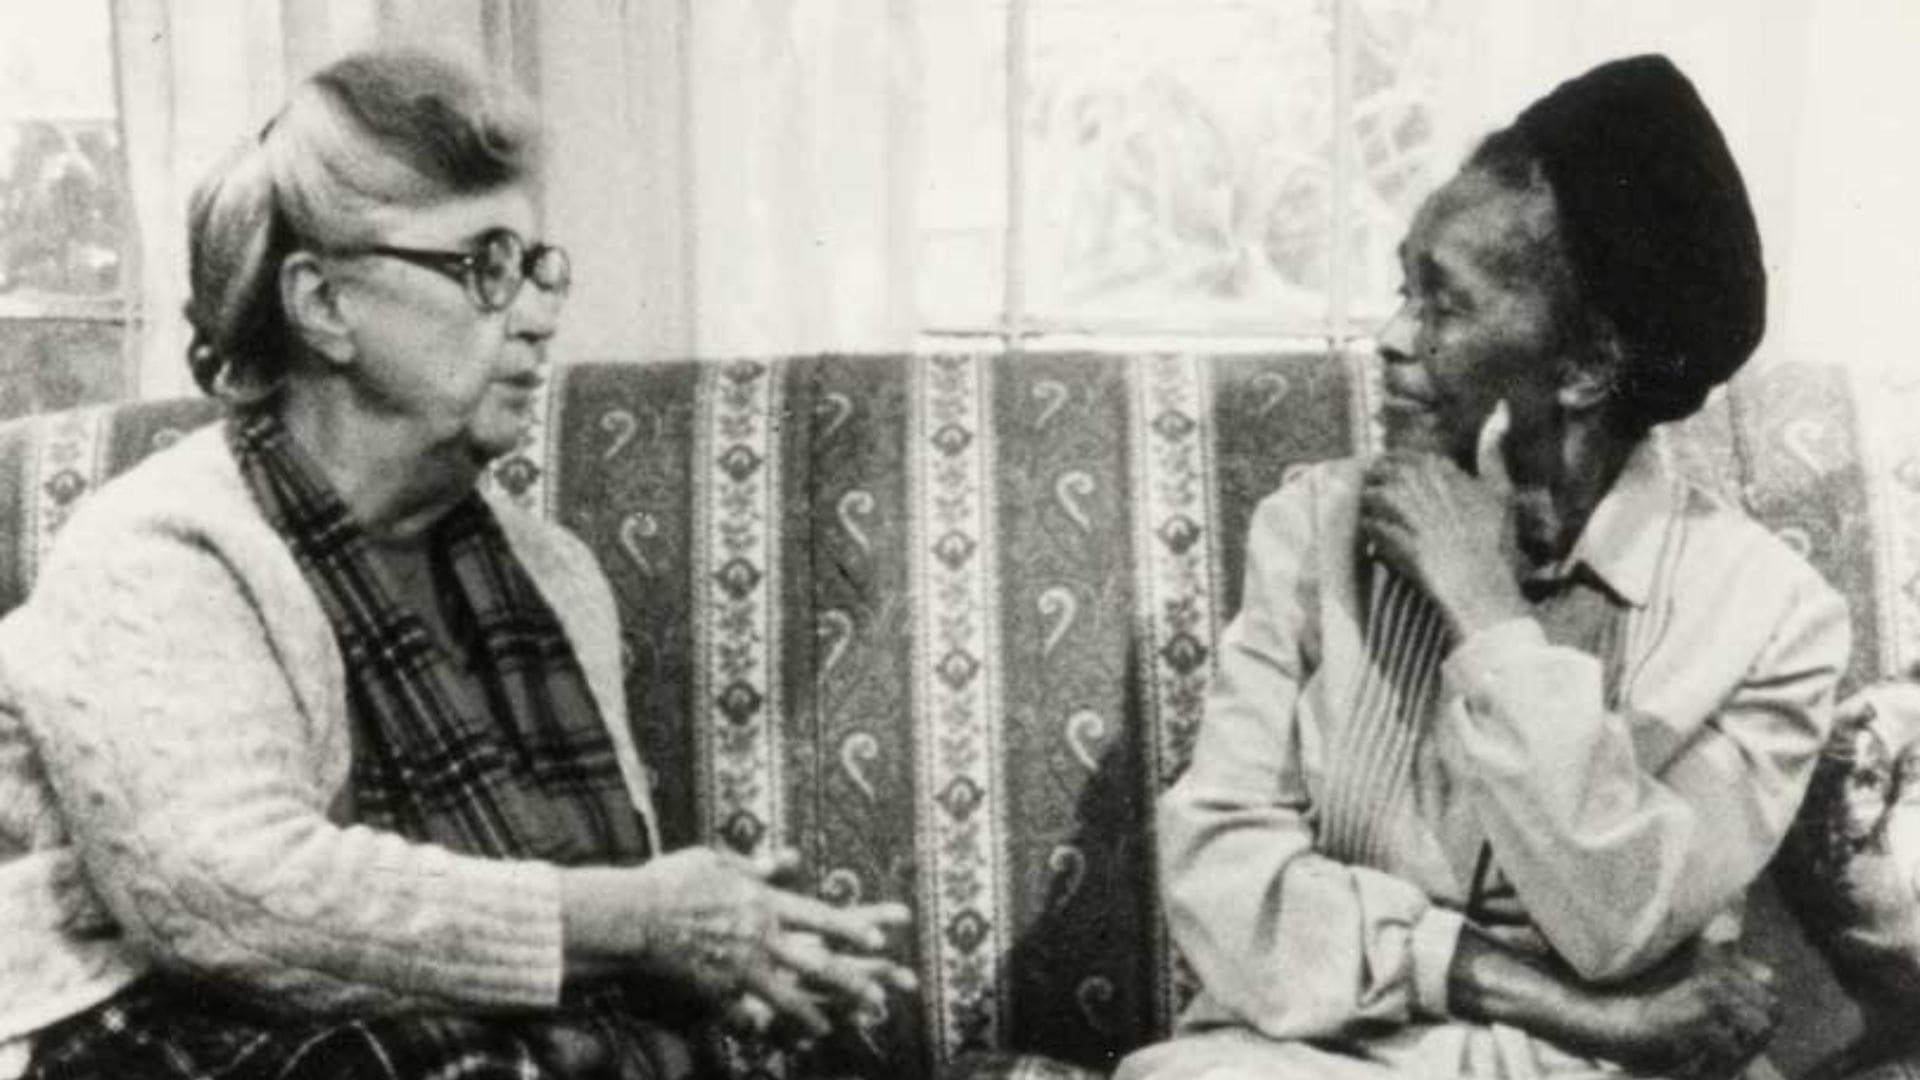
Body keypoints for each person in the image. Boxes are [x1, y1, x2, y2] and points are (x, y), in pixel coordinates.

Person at [0, 49, 912, 1080]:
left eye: (535, 265)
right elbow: (228, 903)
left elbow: (582, 923)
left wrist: (743, 954)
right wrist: (637, 920)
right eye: (482, 263)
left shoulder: (552, 573)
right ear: (323, 304)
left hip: (435, 1028)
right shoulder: (161, 548)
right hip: (150, 1028)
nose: (534, 311)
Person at [1118, 55, 1849, 1080]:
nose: (1390, 340)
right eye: (1401, 287)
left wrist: (1486, 613)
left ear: (1588, 365)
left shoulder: (1776, 622)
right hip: (1318, 1062)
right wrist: (1585, 1016)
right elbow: (1226, 884)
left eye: (1443, 305)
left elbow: (1618, 919)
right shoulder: (1312, 528)